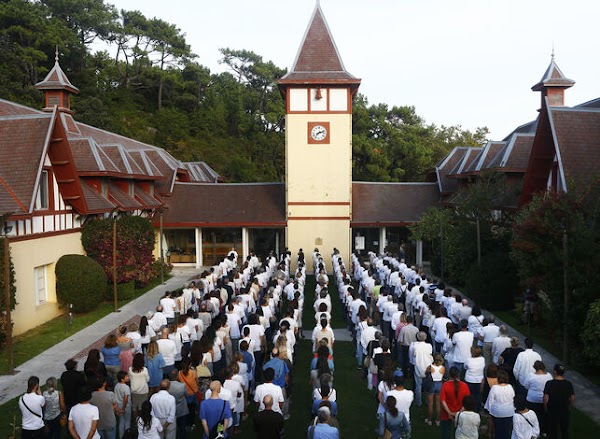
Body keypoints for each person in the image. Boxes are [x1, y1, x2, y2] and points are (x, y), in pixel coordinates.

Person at [543, 363, 575, 439]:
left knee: (553, 430)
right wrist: (569, 407)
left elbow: (545, 398)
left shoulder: (549, 383)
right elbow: (572, 397)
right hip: (564, 410)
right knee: (564, 430)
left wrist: (546, 408)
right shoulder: (568, 384)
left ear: (555, 372)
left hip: (552, 410)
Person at [440, 366, 470, 439]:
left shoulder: (445, 385)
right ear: (458, 374)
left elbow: (443, 400)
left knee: (446, 433)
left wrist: (449, 413)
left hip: (446, 414)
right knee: (459, 434)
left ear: (449, 375)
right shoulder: (464, 386)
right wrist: (459, 412)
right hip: (460, 414)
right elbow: (467, 401)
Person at [484, 369, 515, 439]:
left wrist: (488, 410)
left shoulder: (494, 388)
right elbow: (513, 399)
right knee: (507, 432)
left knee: (498, 431)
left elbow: (490, 401)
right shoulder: (510, 387)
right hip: (509, 412)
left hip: (497, 413)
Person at [524, 360, 552, 435]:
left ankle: (533, 431)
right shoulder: (549, 376)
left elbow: (526, 385)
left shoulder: (531, 376)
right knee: (543, 416)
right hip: (544, 400)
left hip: (532, 399)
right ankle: (543, 431)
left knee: (532, 416)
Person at [425, 353, 445, 426]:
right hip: (439, 384)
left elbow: (426, 373)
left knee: (430, 403)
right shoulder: (443, 368)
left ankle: (429, 420)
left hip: (432, 384)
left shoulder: (430, 367)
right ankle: (438, 420)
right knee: (438, 403)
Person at [464, 346, 485, 412]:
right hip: (479, 380)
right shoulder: (482, 359)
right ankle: (477, 410)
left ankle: (469, 408)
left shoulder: (468, 360)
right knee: (478, 396)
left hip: (469, 380)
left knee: (470, 396)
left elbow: (465, 367)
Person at [114, 371, 131, 439]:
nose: (128, 378)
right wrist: (123, 409)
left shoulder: (116, 386)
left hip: (119, 405)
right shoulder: (126, 387)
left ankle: (121, 436)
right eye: (126, 377)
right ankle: (127, 436)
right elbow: (126, 399)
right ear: (122, 379)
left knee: (121, 421)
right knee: (127, 422)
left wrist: (118, 409)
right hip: (126, 406)